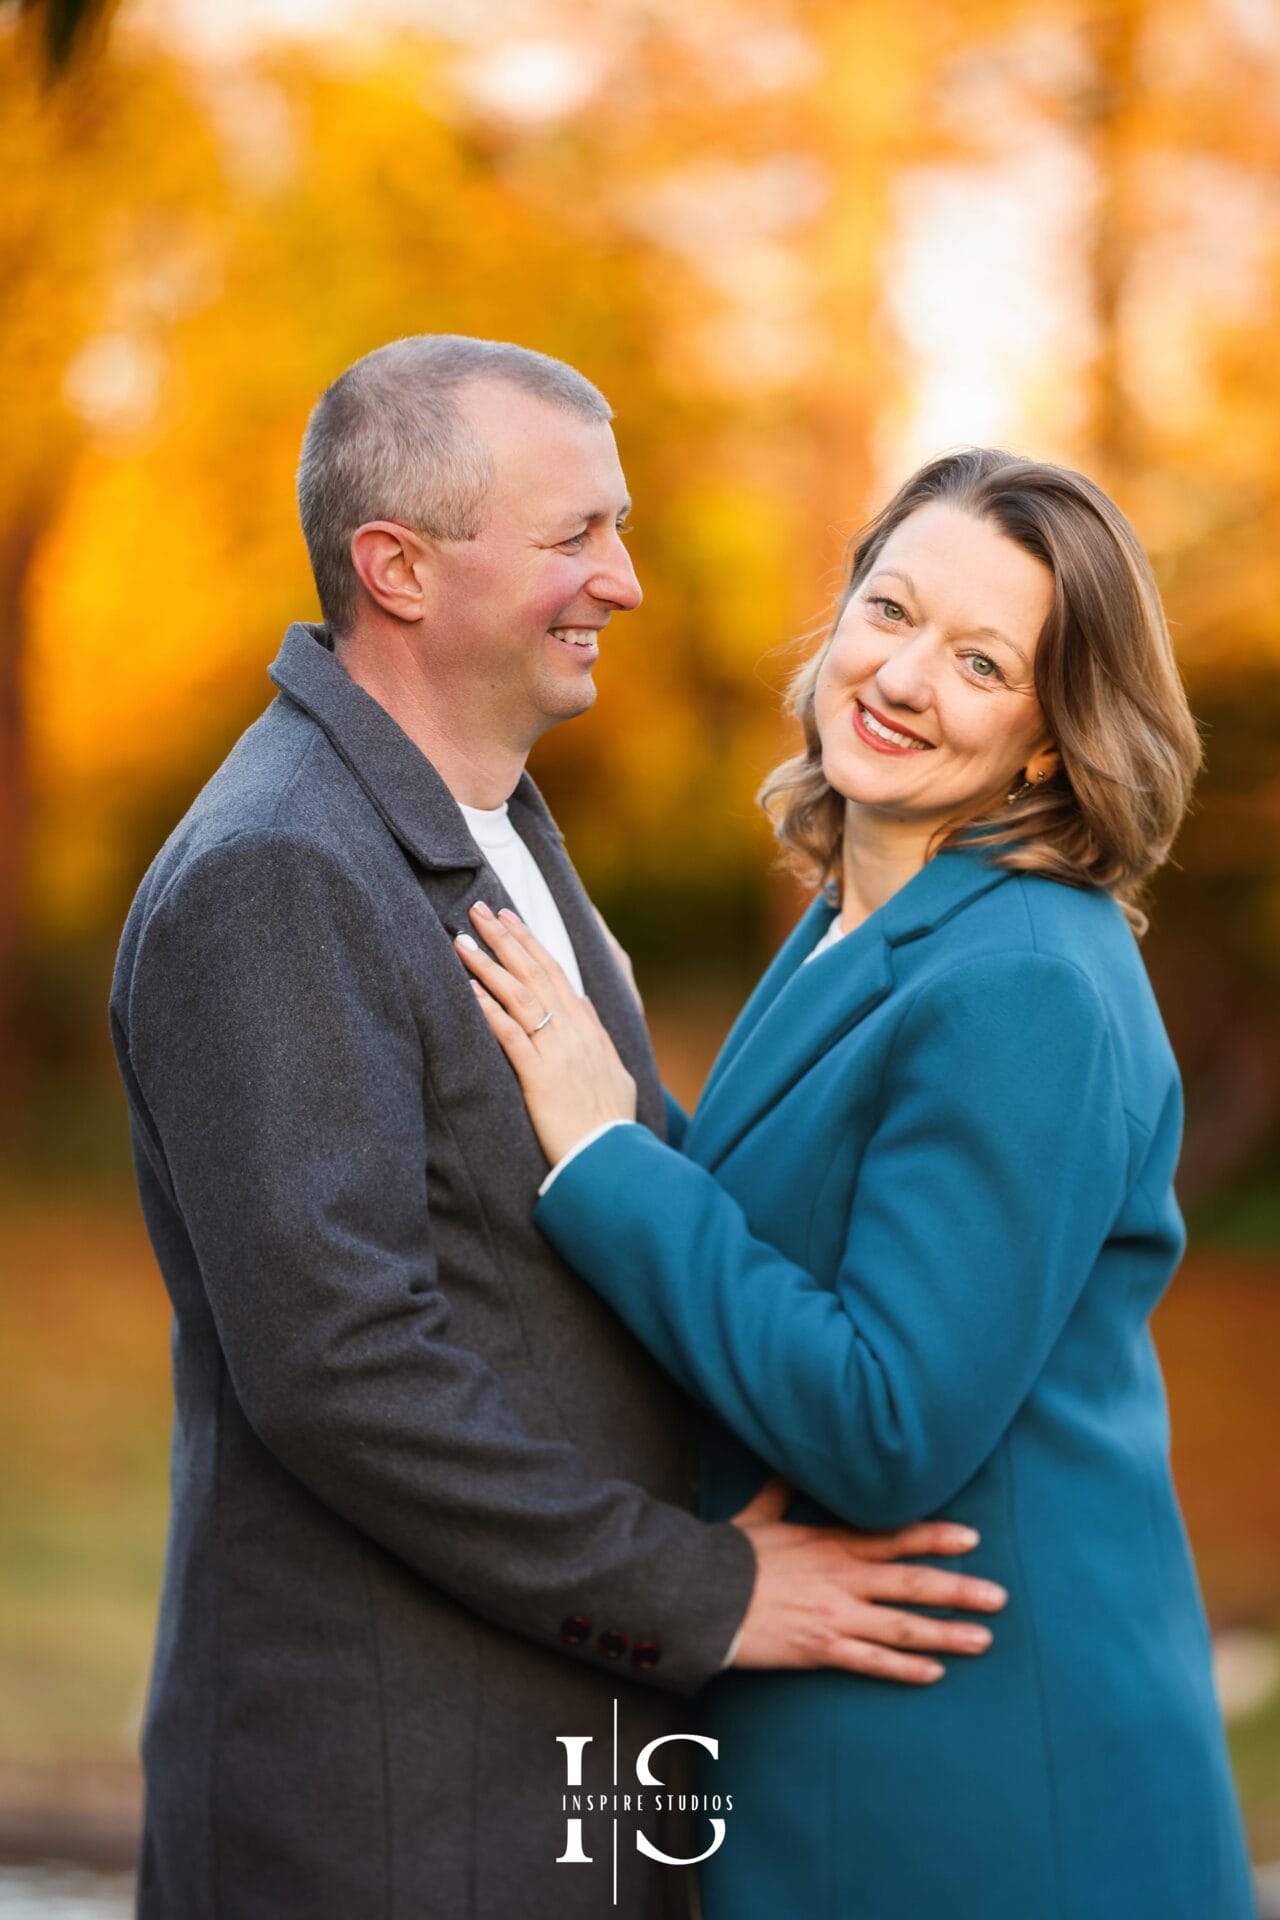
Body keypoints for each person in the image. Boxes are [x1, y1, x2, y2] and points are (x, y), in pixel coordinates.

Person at [108, 340, 1008, 1920]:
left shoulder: (492, 819)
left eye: (626, 528)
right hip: (391, 1805)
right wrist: (710, 1593)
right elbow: (343, 1373)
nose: (628, 583)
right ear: (397, 568)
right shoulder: (276, 874)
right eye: (576, 536)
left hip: (561, 1778)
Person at [460, 448, 1258, 1919]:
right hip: (866, 1750)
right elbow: (803, 1221)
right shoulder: (869, 907)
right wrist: (621, 1077)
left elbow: (889, 1419)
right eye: (888, 612)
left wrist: (611, 1154)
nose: (901, 677)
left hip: (988, 1784)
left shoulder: (1027, 981)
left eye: (981, 660)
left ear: (1048, 739)